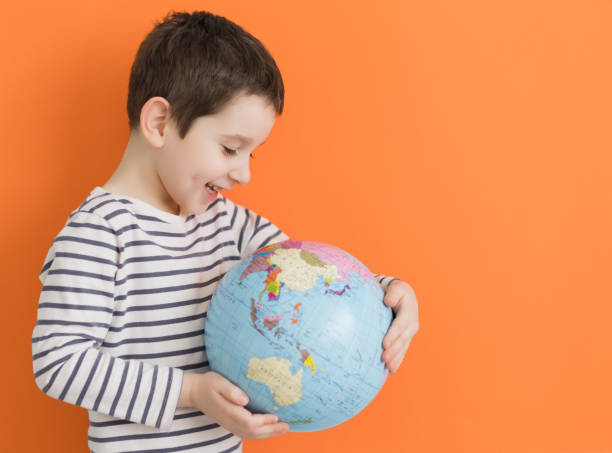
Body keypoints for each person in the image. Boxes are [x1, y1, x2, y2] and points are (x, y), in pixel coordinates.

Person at [31, 10, 420, 453]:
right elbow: (58, 363)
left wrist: (392, 292)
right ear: (159, 122)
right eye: (231, 148)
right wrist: (192, 392)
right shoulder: (100, 233)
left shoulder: (231, 225)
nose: (243, 174)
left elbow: (311, 278)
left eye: (252, 155)